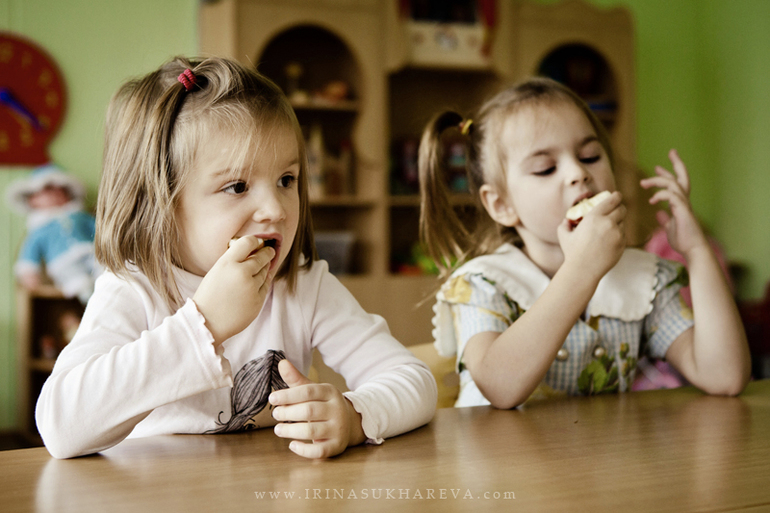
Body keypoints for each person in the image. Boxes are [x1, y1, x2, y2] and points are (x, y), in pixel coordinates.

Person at [36, 56, 436, 459]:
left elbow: (413, 380)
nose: (276, 209)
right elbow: (60, 426)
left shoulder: (303, 284)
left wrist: (354, 417)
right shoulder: (134, 289)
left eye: (287, 180)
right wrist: (205, 322)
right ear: (161, 204)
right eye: (238, 186)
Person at [419, 77, 751, 408]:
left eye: (590, 156)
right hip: (498, 459)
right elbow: (500, 387)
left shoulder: (642, 281)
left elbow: (724, 376)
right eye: (545, 168)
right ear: (502, 205)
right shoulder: (484, 284)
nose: (578, 172)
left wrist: (697, 252)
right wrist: (581, 269)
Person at [5, 163, 99, 303]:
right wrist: (28, 272)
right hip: (63, 262)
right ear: (33, 200)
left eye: (59, 190)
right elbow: (30, 251)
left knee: (104, 268)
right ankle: (90, 298)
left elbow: (99, 229)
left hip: (91, 252)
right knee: (78, 281)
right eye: (47, 191)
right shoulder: (39, 229)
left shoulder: (79, 215)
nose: (55, 194)